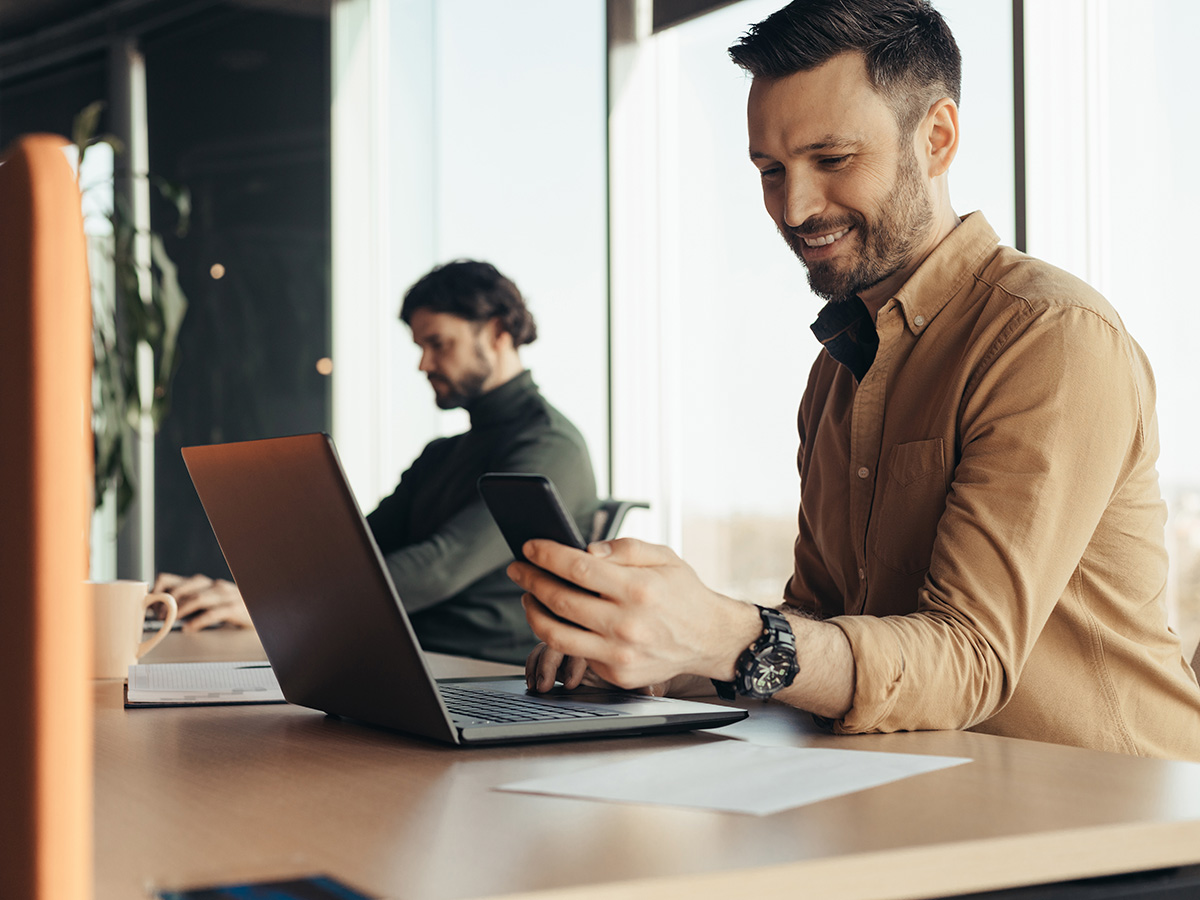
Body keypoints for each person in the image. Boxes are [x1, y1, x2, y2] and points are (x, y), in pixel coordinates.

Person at [515, 0, 1200, 759]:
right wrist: (663, 655)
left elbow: (970, 658)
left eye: (833, 159)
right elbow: (817, 628)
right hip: (929, 786)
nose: (795, 207)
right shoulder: (839, 367)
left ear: (936, 139)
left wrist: (723, 634)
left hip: (1112, 804)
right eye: (771, 171)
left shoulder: (1050, 337)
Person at [156, 259, 598, 665]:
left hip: (478, 674)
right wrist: (245, 593)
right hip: (395, 657)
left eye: (438, 343)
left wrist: (275, 606)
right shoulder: (442, 454)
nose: (424, 363)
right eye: (420, 346)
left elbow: (439, 567)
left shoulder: (550, 446)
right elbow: (358, 547)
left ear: (497, 331)